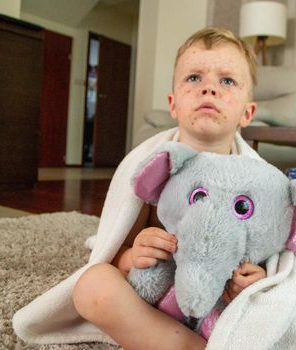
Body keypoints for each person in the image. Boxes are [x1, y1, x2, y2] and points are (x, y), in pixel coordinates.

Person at [72, 27, 266, 350]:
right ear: (173, 105)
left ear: (247, 113)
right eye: (194, 78)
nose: (209, 89)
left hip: (217, 305)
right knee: (90, 286)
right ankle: (185, 345)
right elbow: (113, 251)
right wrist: (133, 255)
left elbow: (273, 255)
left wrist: (257, 280)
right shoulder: (152, 167)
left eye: (227, 81)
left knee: (269, 312)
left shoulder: (257, 180)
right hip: (155, 294)